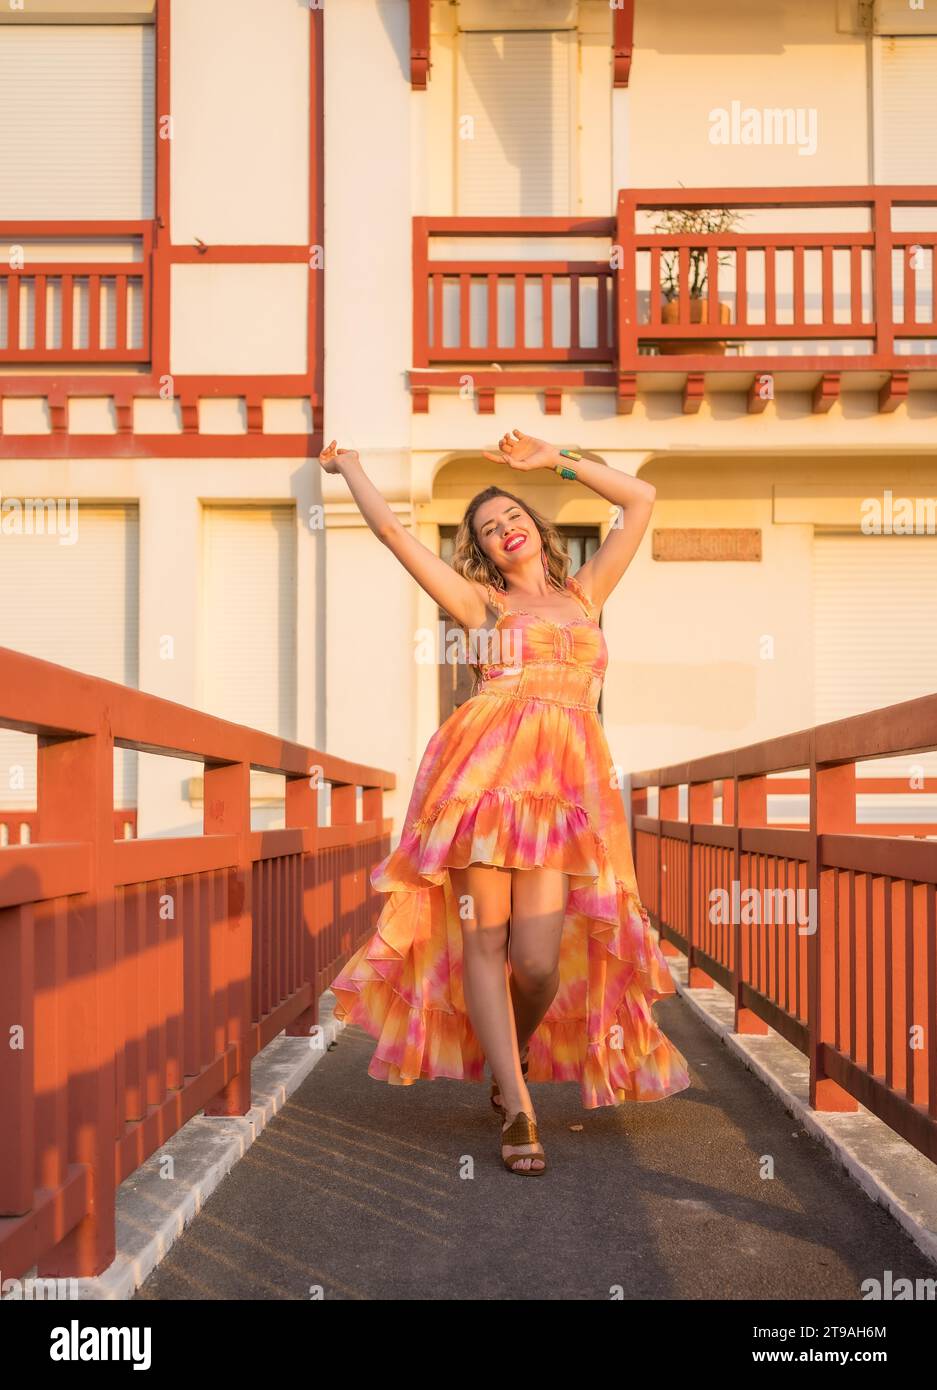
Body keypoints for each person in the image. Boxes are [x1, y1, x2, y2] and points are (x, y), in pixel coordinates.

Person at [319, 429, 691, 1175]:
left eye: (509, 515)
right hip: (482, 785)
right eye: (485, 530)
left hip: (562, 795)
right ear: (483, 554)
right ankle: (518, 1111)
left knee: (538, 961)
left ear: (535, 526)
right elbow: (394, 533)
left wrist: (551, 458)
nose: (501, 529)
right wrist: (349, 464)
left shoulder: (586, 593)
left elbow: (641, 498)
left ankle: (507, 1056)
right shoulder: (481, 607)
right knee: (485, 944)